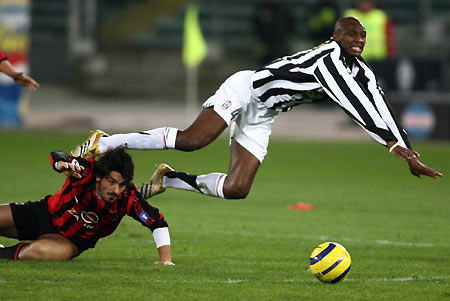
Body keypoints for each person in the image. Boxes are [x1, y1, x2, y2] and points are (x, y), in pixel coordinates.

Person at [71, 17, 442, 202]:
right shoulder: (328, 60)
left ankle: (168, 179)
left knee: (237, 189)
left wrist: (404, 147)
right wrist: (393, 148)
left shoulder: (358, 69)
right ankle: (104, 142)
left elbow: (378, 102)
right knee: (193, 140)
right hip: (246, 88)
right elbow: (356, 104)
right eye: (352, 35)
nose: (359, 40)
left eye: (363, 36)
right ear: (335, 37)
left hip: (265, 113)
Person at [0, 147, 174, 264]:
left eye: (121, 184)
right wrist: (61, 165)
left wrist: (165, 260)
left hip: (70, 242)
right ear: (99, 176)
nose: (116, 190)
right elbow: (58, 155)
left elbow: (157, 222)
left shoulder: (128, 197)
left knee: (37, 252)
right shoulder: (86, 171)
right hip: (41, 214)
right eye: (112, 182)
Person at [252, 0, 294, 65]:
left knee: (283, 62)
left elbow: (290, 23)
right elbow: (256, 23)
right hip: (265, 41)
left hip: (281, 41)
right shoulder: (263, 8)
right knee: (265, 62)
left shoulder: (284, 8)